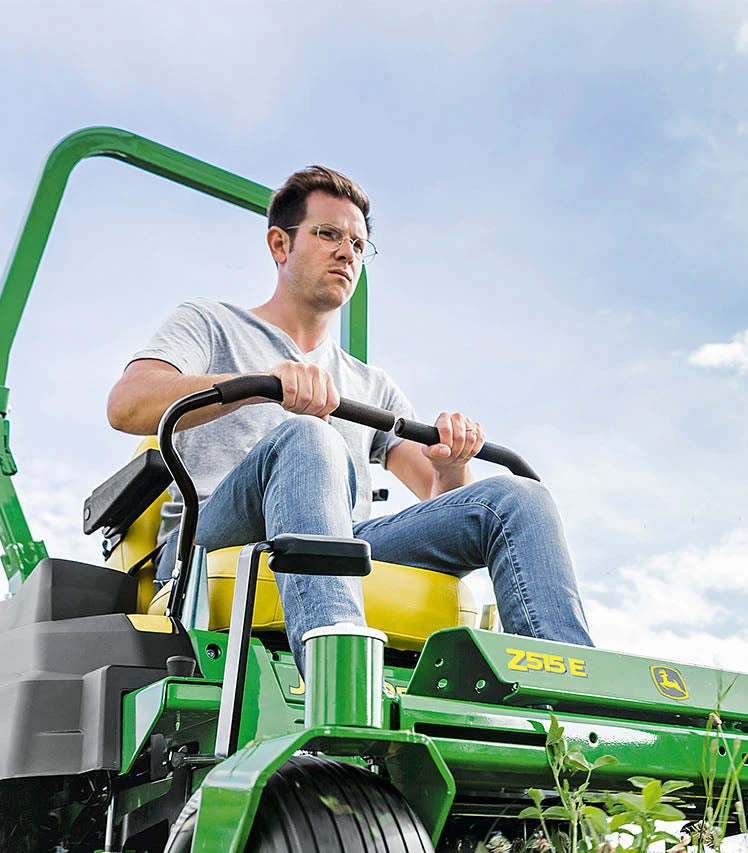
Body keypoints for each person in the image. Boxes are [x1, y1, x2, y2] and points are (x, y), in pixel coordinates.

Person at [106, 165, 592, 669]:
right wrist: (261, 387)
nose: (346, 252)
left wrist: (452, 464)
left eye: (358, 245)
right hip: (211, 539)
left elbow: (440, 502)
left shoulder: (371, 386)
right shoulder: (212, 324)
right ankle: (336, 667)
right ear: (280, 244)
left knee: (516, 498)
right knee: (308, 438)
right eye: (328, 234)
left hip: (342, 544)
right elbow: (127, 404)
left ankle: (572, 697)